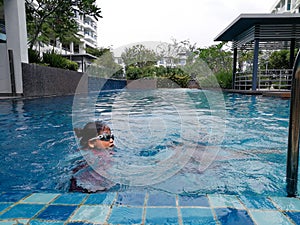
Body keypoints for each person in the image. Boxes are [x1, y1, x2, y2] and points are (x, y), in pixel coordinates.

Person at [69, 121, 115, 193]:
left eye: (112, 136)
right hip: (85, 186)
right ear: (92, 143)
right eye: (106, 137)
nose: (111, 140)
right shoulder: (88, 155)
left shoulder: (106, 150)